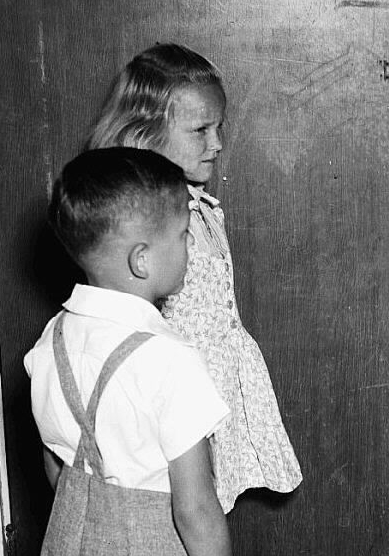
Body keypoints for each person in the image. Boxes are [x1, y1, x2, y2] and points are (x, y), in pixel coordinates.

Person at [86, 43, 302, 513]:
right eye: (201, 130)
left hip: (209, 393)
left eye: (219, 127)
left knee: (207, 509)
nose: (217, 143)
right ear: (144, 135)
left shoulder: (200, 208)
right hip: (172, 404)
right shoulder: (145, 228)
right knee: (187, 514)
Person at [26, 147, 231, 555]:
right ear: (142, 260)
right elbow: (195, 510)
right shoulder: (170, 359)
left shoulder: (52, 340)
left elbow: (55, 465)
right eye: (183, 234)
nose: (191, 243)